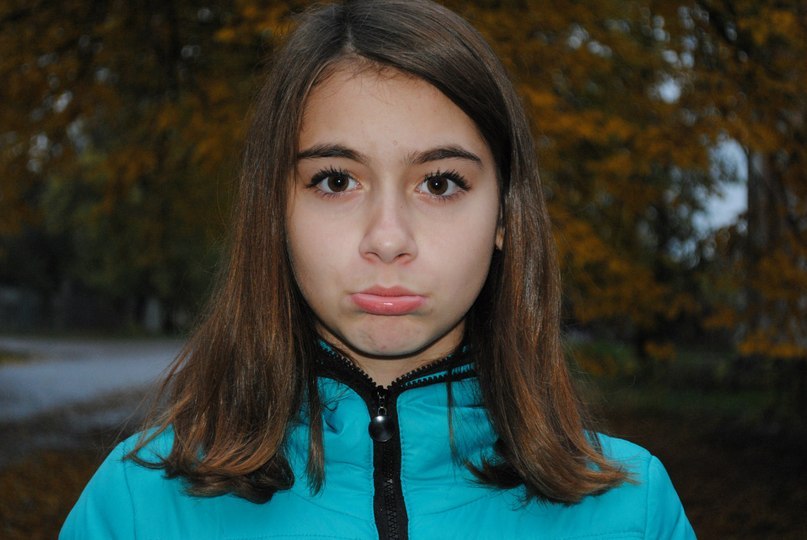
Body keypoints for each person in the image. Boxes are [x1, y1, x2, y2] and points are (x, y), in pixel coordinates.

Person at [61, 1, 696, 538]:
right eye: (336, 181)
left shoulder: (632, 513)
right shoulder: (137, 507)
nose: (388, 239)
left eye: (440, 183)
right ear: (275, 211)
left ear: (504, 215)